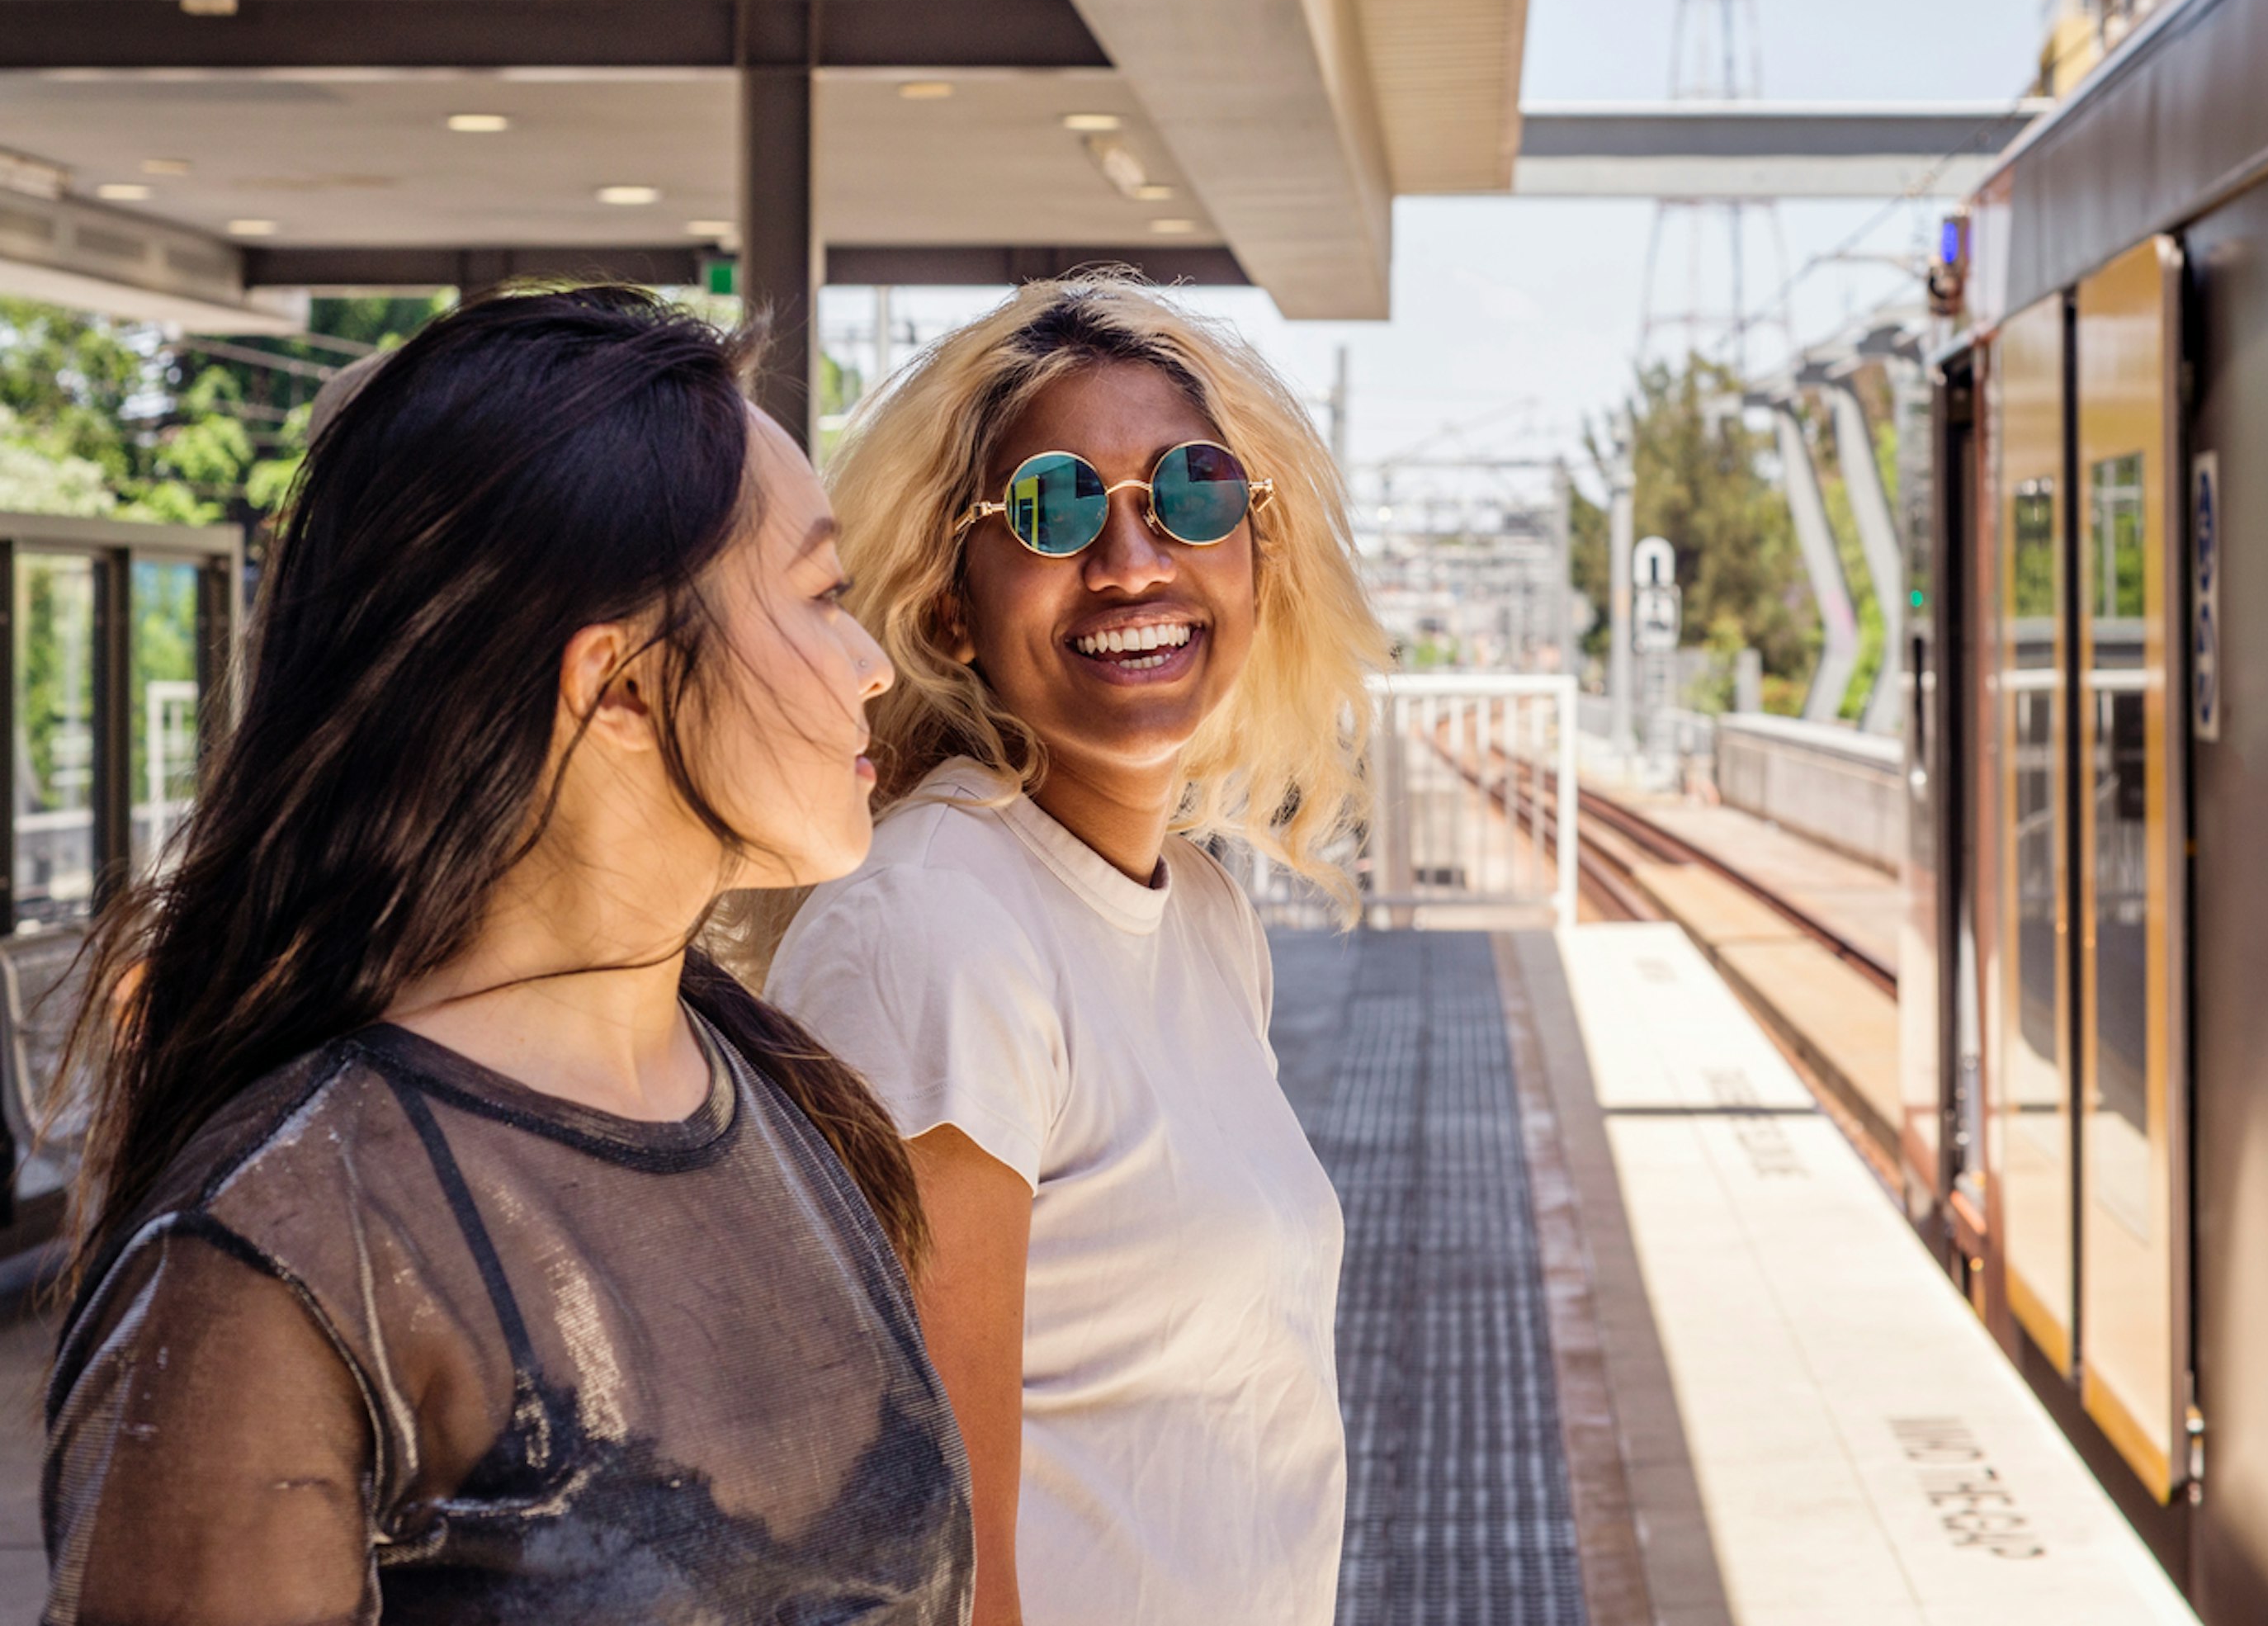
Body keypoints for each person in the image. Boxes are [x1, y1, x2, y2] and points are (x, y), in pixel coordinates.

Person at [45, 288, 972, 1624]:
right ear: (622, 684)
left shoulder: (775, 1087)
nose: (873, 663)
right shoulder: (287, 1241)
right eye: (823, 594)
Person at [766, 279, 1387, 1626]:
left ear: (1259, 556)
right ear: (946, 608)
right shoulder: (934, 928)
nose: (1134, 559)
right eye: (1051, 507)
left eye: (1193, 492)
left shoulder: (1206, 918)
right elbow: (932, 1559)